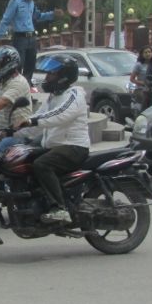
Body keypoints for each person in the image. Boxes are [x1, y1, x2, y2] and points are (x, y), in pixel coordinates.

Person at [19, 54, 91, 226]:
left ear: (63, 76)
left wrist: (33, 120)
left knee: (42, 164)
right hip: (56, 145)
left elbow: (61, 114)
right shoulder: (53, 97)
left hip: (74, 146)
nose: (47, 78)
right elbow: (39, 117)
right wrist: (14, 131)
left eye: (51, 74)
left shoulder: (74, 94)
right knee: (24, 156)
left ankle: (60, 208)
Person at [0, 0, 53, 83]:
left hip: (32, 38)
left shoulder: (32, 3)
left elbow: (38, 16)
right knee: (18, 66)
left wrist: (52, 15)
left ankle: (27, 89)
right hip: (20, 38)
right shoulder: (15, 1)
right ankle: (17, 89)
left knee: (30, 66)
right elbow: (6, 20)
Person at [130, 45, 152, 111]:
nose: (148, 54)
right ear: (142, 54)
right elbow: (132, 79)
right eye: (145, 52)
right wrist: (143, 83)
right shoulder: (139, 65)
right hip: (141, 90)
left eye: (149, 52)